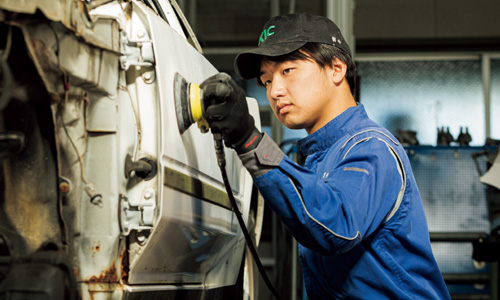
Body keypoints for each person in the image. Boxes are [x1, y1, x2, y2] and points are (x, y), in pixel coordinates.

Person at [200, 13, 451, 299]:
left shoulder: (371, 147)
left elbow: (335, 226)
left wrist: (250, 141)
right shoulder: (321, 157)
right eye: (266, 81)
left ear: (336, 68)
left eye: (288, 71)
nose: (275, 91)